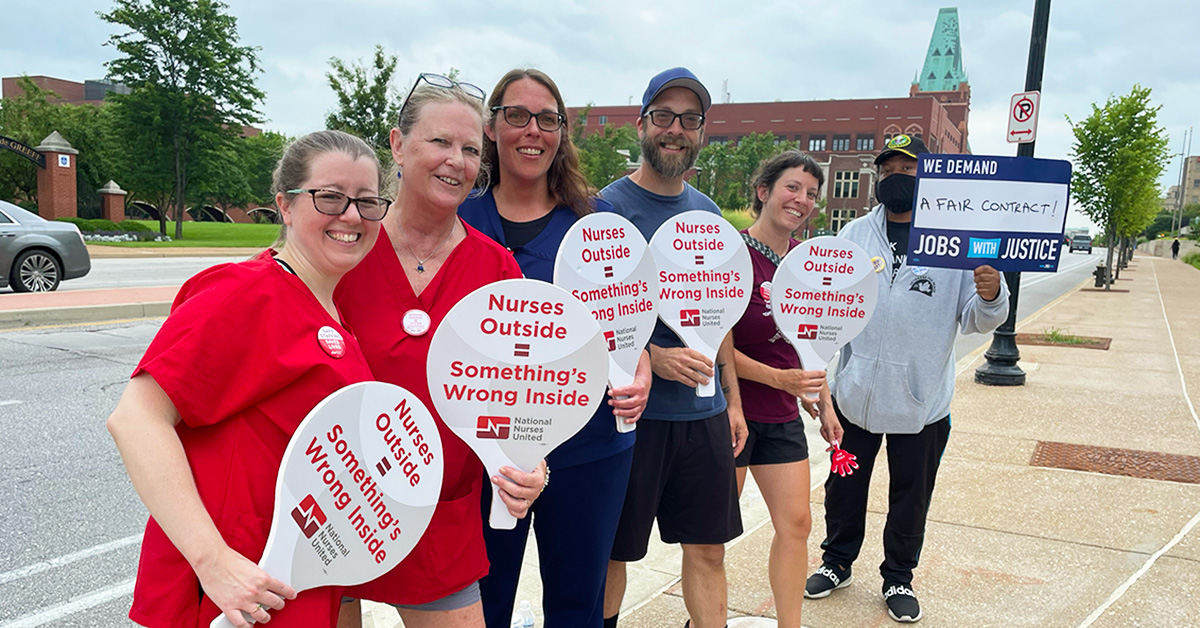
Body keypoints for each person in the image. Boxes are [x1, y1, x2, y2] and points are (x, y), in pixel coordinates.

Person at [107, 130, 388, 628]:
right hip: (228, 596)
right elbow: (136, 419)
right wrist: (213, 562)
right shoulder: (247, 293)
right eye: (330, 197)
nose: (352, 216)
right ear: (285, 204)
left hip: (289, 590)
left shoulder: (332, 313)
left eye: (368, 202)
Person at [334, 73, 545, 628]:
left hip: (440, 512)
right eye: (440, 142)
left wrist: (530, 462)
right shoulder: (341, 247)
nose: (457, 160)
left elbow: (523, 391)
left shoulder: (496, 267)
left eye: (471, 149)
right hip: (335, 500)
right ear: (398, 145)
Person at [457, 68, 653, 628]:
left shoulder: (598, 224)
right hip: (488, 449)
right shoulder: (459, 221)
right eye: (516, 115)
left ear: (562, 132)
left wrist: (638, 368)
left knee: (577, 603)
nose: (532, 130)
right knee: (482, 602)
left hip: (588, 443)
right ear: (492, 127)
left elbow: (630, 321)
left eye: (547, 119)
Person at [803, 134, 1008, 623]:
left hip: (922, 404)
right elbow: (828, 306)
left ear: (930, 178)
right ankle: (837, 562)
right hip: (853, 397)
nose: (898, 177)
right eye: (890, 168)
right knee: (844, 486)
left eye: (910, 170)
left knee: (911, 493)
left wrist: (991, 292)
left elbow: (977, 320)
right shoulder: (853, 235)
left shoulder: (955, 242)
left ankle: (898, 577)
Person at [601, 67, 747, 628]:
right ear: (641, 125)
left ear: (701, 133)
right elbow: (585, 319)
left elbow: (721, 308)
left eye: (689, 119)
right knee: (615, 554)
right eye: (664, 116)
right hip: (633, 419)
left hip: (704, 417)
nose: (675, 129)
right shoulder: (603, 211)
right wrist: (653, 358)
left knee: (709, 550)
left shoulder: (708, 214)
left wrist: (732, 403)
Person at [730, 150, 843, 628]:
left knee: (796, 525)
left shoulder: (806, 264)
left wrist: (826, 402)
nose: (802, 200)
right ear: (764, 192)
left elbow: (812, 344)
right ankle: (704, 617)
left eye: (811, 194)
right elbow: (714, 348)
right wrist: (780, 379)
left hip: (780, 416)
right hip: (728, 414)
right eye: (792, 188)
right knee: (711, 536)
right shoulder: (729, 255)